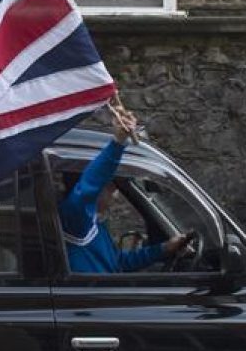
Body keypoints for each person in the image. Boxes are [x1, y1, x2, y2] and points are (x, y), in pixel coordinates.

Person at [60, 103, 194, 274]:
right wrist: (117, 143)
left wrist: (165, 248)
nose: (115, 194)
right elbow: (90, 185)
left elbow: (118, 263)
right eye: (110, 186)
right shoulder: (75, 217)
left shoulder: (94, 221)